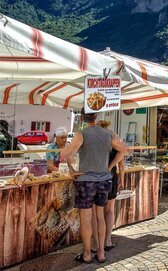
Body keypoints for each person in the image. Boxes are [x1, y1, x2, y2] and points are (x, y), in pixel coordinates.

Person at [62, 109, 128, 264]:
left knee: (86, 219)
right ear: (96, 116)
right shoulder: (109, 133)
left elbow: (67, 154)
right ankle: (101, 253)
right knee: (100, 217)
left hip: (86, 180)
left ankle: (86, 254)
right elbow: (124, 150)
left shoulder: (81, 134)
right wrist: (110, 166)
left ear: (83, 118)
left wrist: (72, 170)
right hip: (105, 180)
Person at [91, 121, 127, 254]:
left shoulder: (94, 140)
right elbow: (122, 163)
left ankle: (95, 243)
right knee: (109, 210)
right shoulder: (114, 139)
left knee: (96, 212)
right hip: (111, 177)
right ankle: (107, 240)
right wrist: (121, 180)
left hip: (96, 177)